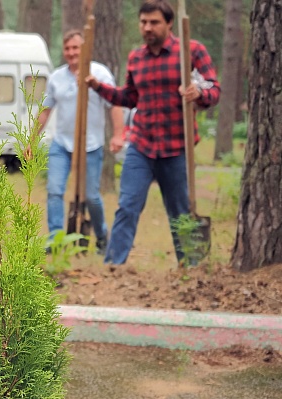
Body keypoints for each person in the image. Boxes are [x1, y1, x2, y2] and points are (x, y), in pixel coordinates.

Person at [85, 0, 220, 265]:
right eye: (143, 22)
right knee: (128, 205)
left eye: (154, 22)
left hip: (178, 148)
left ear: (169, 23)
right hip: (142, 145)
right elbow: (130, 97)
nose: (148, 28)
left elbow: (214, 90)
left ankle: (190, 267)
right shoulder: (136, 57)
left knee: (180, 212)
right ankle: (114, 265)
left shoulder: (191, 51)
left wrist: (199, 92)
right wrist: (98, 87)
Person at [31, 29, 124, 254]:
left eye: (76, 48)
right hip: (62, 144)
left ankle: (102, 235)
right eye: (68, 48)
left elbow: (115, 104)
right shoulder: (57, 78)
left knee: (91, 196)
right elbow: (45, 110)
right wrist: (31, 140)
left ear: (85, 49)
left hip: (91, 145)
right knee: (54, 190)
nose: (72, 53)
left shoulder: (100, 74)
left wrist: (118, 134)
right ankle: (55, 239)